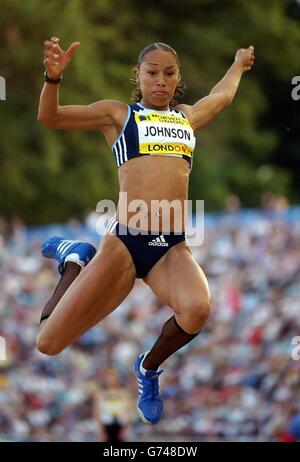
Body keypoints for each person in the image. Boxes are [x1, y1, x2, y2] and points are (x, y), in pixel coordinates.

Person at [37, 37, 255, 424]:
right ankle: (73, 260)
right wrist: (52, 79)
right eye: (152, 72)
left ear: (177, 78)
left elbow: (221, 97)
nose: (160, 80)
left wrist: (237, 65)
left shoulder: (185, 118)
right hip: (124, 243)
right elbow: (51, 118)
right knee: (47, 342)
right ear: (137, 75)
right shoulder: (119, 116)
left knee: (198, 309)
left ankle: (148, 368)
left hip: (170, 247)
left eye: (169, 73)